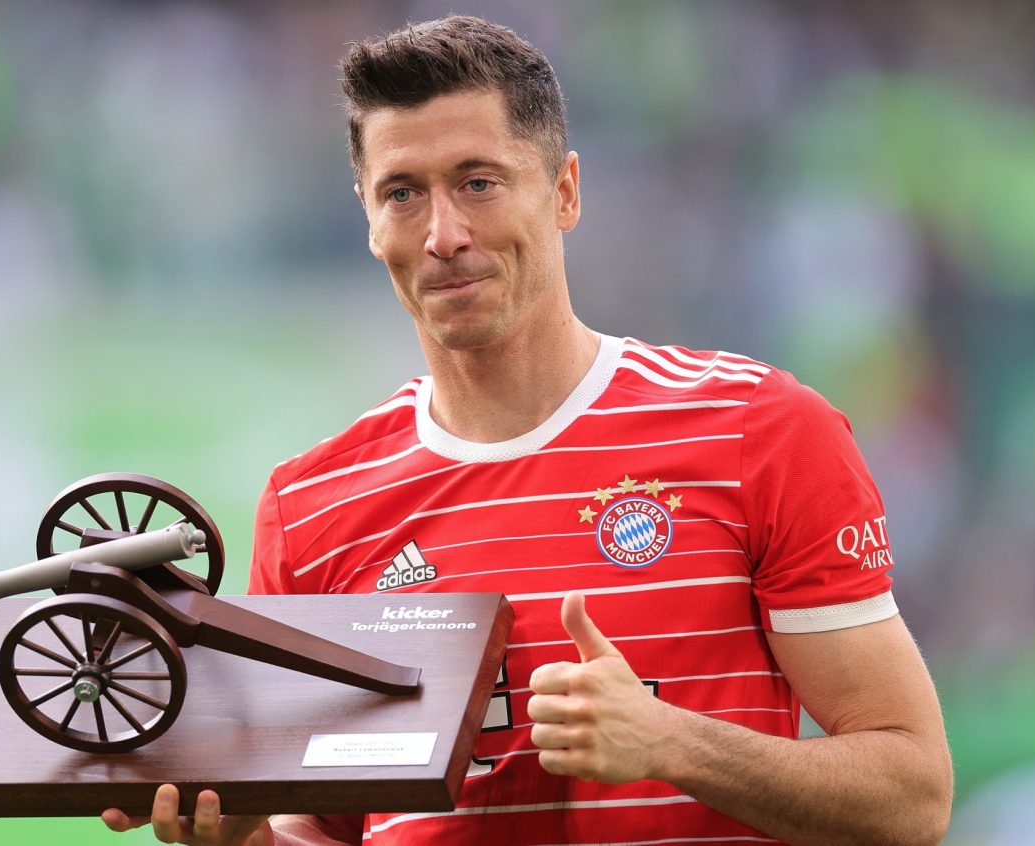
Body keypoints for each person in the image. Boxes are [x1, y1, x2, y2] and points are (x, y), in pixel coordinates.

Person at [103, 14, 952, 846]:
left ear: (565, 192)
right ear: (368, 219)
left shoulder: (757, 431)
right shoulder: (311, 506)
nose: (443, 235)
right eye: (403, 194)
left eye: (478, 182)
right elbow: (317, 829)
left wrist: (672, 743)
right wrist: (244, 839)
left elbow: (912, 797)